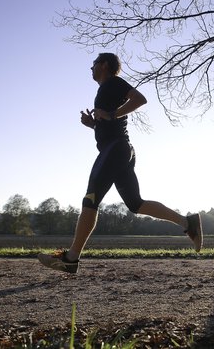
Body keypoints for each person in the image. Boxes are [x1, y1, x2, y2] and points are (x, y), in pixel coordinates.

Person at [38, 53, 202, 273]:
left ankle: (71, 258)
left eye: (93, 64)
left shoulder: (113, 82)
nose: (91, 69)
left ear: (104, 65)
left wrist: (112, 114)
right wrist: (93, 125)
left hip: (115, 149)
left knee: (91, 198)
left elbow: (139, 99)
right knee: (135, 204)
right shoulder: (105, 89)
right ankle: (187, 223)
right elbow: (110, 122)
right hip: (122, 149)